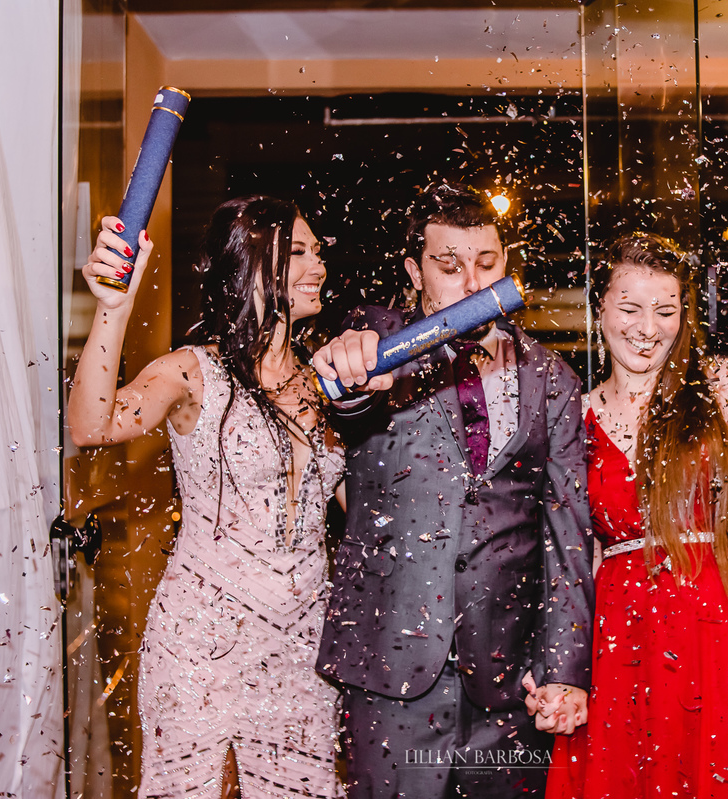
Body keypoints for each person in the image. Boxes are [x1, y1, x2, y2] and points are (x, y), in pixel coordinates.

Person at [310, 181, 594, 798]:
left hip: (509, 680)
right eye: (448, 266)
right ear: (415, 272)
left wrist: (566, 668)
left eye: (487, 264)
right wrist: (352, 367)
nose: (471, 283)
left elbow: (567, 534)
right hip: (392, 670)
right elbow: (348, 398)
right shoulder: (378, 345)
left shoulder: (552, 378)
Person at [68, 196, 345, 799]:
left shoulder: (327, 382)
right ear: (249, 265)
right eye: (299, 252)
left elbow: (371, 511)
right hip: (203, 640)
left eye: (318, 251)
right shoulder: (193, 372)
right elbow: (91, 425)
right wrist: (113, 308)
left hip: (303, 646)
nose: (319, 266)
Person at [542, 232, 728, 798]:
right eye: (630, 308)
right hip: (621, 640)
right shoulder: (573, 414)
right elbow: (576, 557)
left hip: (725, 623)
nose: (647, 328)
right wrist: (563, 665)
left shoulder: (724, 384)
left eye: (666, 310)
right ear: (599, 308)